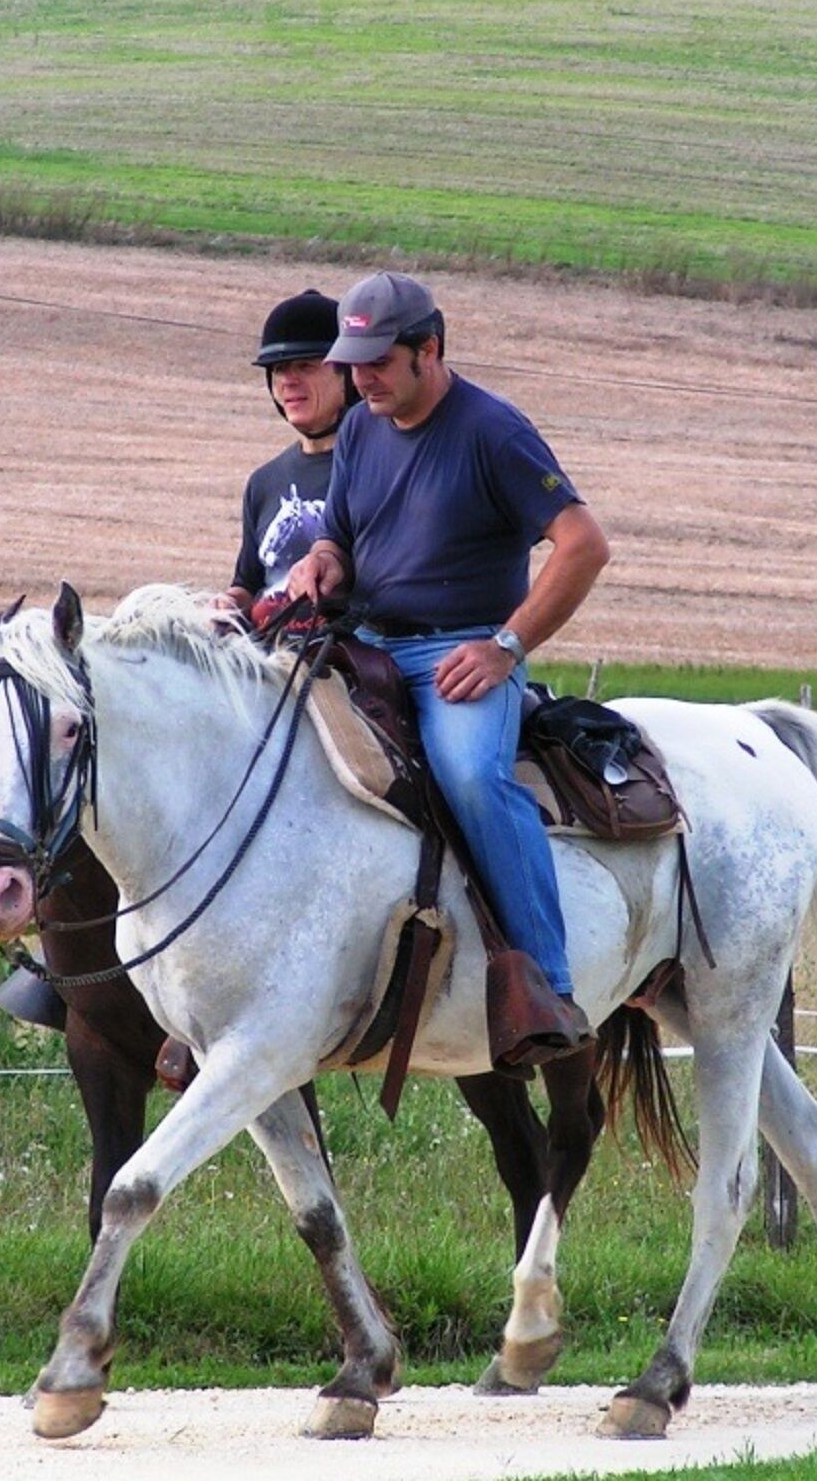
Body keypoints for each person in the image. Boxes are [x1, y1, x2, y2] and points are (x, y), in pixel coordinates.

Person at [284, 272, 611, 1066]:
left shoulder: (494, 431)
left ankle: (545, 984)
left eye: (377, 362)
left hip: (457, 655)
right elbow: (342, 533)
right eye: (352, 363)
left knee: (470, 777)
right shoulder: (362, 426)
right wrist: (323, 560)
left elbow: (584, 545)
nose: (359, 379)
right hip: (364, 644)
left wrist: (505, 646)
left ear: (429, 350)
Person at [220, 288, 354, 625]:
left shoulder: (379, 469)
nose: (288, 382)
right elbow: (248, 586)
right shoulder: (265, 481)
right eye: (278, 369)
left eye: (306, 366)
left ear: (348, 375)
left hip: (337, 659)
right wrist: (227, 604)